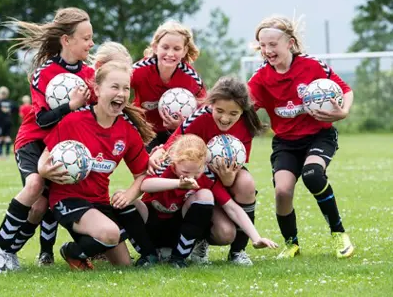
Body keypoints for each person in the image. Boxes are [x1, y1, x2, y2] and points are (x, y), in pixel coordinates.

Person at [0, 7, 94, 273]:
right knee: (33, 185)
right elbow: (43, 120)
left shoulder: (90, 74)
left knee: (42, 206)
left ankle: (9, 252)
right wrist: (71, 104)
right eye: (86, 38)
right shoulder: (43, 73)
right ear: (67, 40)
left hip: (62, 145)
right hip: (33, 141)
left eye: (92, 37)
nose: (91, 43)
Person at [247, 15, 355, 259]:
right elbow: (244, 107)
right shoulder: (260, 77)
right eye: (263, 45)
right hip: (285, 142)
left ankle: (339, 234)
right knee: (282, 192)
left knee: (313, 175)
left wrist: (343, 111)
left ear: (290, 43)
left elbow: (345, 90)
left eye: (273, 44)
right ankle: (291, 244)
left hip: (319, 135)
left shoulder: (312, 66)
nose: (267, 50)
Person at [39, 60, 159, 270]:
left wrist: (130, 195)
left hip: (100, 202)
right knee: (110, 234)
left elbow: (142, 173)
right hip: (68, 200)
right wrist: (42, 169)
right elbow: (46, 155)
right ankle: (72, 251)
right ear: (97, 89)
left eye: (126, 88)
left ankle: (82, 248)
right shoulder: (74, 121)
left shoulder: (127, 132)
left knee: (124, 264)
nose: (121, 93)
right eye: (114, 87)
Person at [148, 76, 266, 266]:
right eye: (219, 111)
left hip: (220, 178)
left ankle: (238, 251)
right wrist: (158, 152)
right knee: (223, 230)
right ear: (211, 104)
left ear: (242, 111)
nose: (225, 118)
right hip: (196, 177)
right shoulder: (198, 118)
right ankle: (195, 239)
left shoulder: (246, 126)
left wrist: (228, 178)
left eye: (233, 113)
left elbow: (233, 174)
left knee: (246, 182)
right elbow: (172, 146)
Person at [136, 134, 277, 268]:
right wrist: (178, 183)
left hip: (180, 230)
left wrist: (256, 237)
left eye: (197, 172)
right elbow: (145, 185)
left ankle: (179, 258)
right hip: (152, 227)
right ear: (174, 166)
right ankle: (148, 254)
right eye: (185, 172)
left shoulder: (207, 176)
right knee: (128, 203)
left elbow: (232, 208)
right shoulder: (163, 166)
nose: (192, 177)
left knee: (205, 195)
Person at [131, 20, 207, 152]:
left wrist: (183, 124)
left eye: (176, 49)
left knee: (176, 167)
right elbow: (116, 84)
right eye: (165, 47)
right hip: (145, 129)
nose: (170, 54)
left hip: (177, 131)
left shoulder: (191, 78)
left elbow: (205, 108)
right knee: (151, 167)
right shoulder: (138, 71)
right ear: (155, 47)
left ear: (184, 51)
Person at [0, 86, 18, 159]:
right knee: (7, 137)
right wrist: (9, 112)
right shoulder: (10, 102)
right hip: (8, 122)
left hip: (0, 123)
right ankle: (7, 154)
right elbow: (16, 108)